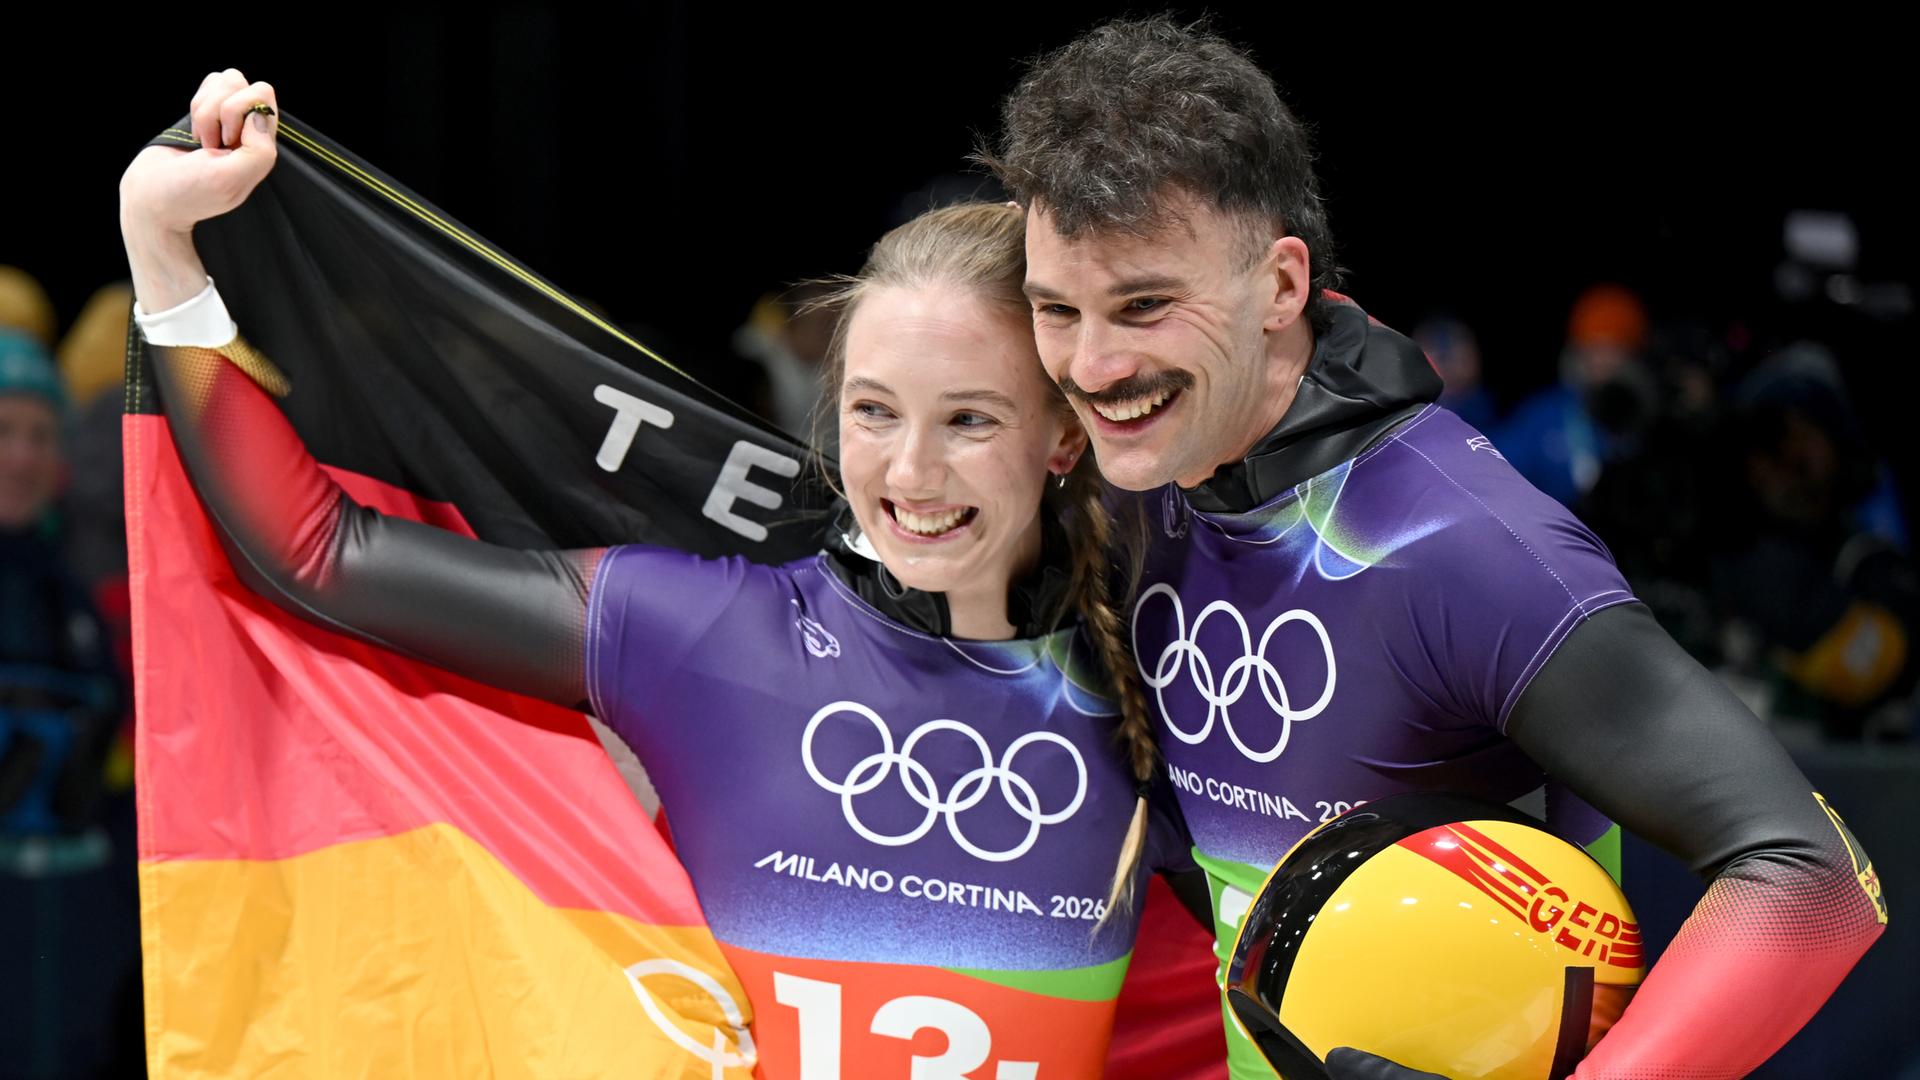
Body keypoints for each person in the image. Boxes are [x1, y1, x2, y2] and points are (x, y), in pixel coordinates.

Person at [120, 70, 1189, 1078]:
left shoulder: (1163, 675)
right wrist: (165, 249)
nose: (910, 471)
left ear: (1062, 436)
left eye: (969, 420)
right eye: (873, 410)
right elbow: (321, 551)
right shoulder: (707, 635)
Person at [984, 16, 1887, 1079]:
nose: (1090, 365)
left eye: (1144, 306)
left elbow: (1816, 880)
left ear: (1281, 286)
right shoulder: (1138, 475)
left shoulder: (1457, 541)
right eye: (1056, 310)